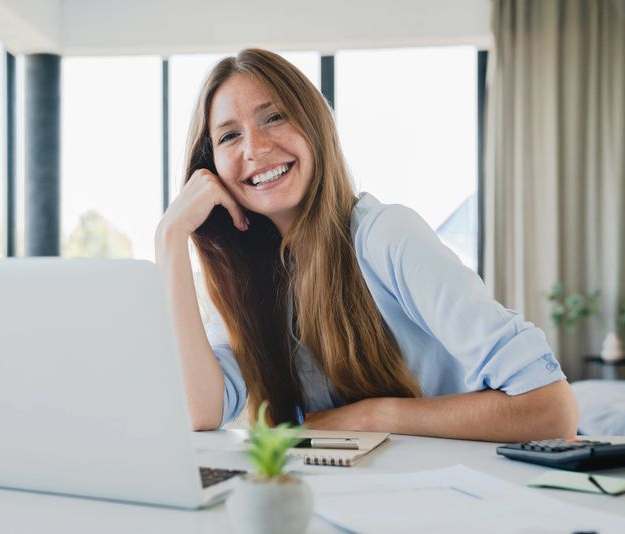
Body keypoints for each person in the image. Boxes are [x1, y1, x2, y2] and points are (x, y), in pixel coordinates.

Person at [155, 48, 578, 442]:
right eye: (229, 136)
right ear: (211, 168)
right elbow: (200, 411)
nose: (256, 147)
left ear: (314, 125)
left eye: (274, 117)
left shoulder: (385, 235)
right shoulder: (247, 282)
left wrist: (372, 417)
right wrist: (171, 239)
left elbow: (551, 409)